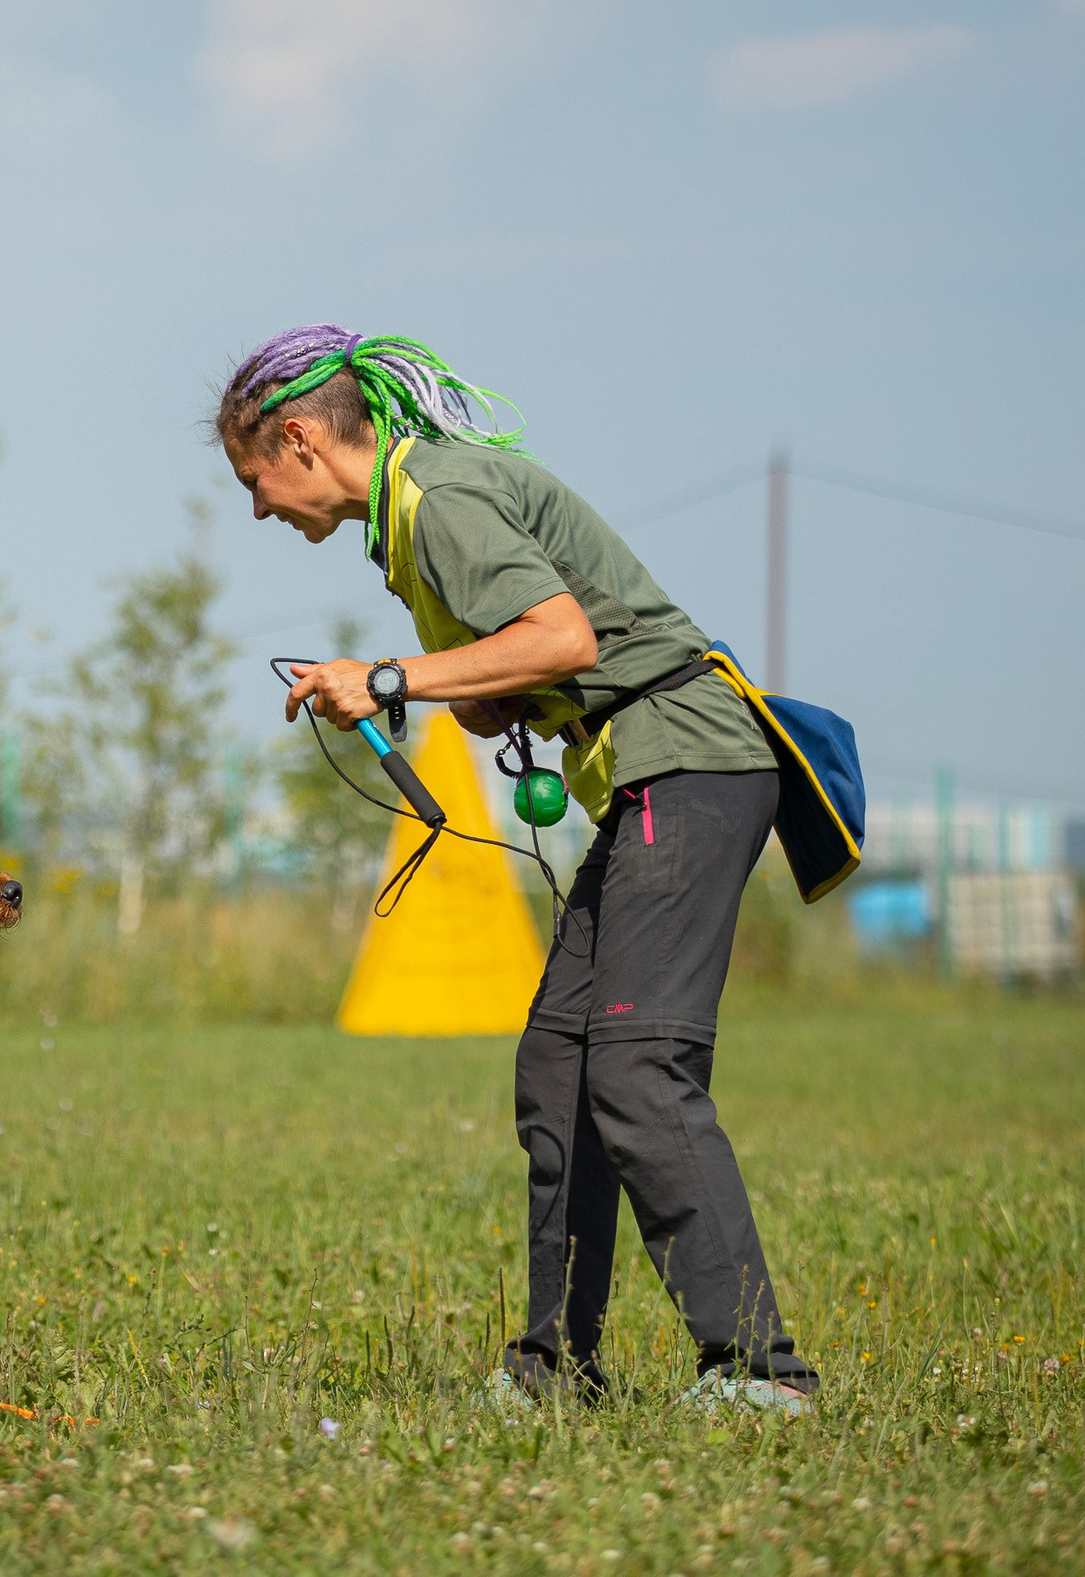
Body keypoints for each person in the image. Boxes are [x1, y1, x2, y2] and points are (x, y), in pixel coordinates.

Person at [217, 326, 817, 1413]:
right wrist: (450, 691)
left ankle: (759, 1373)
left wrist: (392, 676)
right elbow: (523, 666)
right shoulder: (407, 521)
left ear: (298, 440)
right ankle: (553, 1372)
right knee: (558, 1070)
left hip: (685, 767)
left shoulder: (437, 499)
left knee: (636, 1067)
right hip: (645, 776)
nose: (257, 508)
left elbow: (564, 638)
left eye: (251, 480)